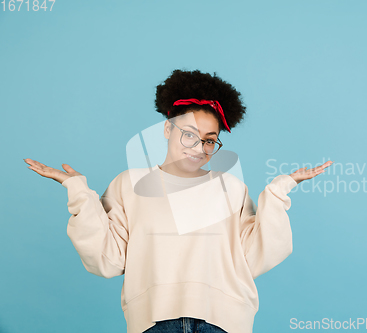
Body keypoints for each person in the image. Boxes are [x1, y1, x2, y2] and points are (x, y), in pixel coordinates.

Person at [24, 69, 333, 333]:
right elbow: (108, 259)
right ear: (168, 128)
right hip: (155, 323)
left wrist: (279, 192)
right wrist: (79, 192)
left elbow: (253, 257)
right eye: (189, 134)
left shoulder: (232, 187)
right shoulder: (129, 183)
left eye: (209, 139)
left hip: (222, 323)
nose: (198, 147)